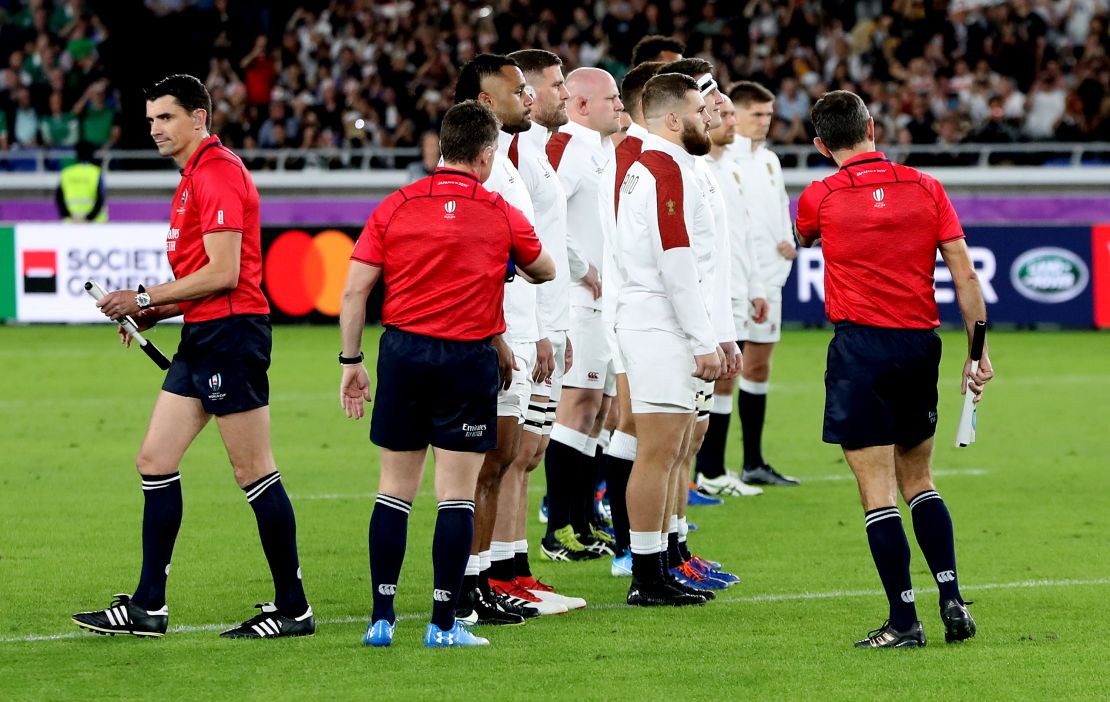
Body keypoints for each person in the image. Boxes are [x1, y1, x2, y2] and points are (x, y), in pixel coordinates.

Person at [73, 74, 314, 639]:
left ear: (198, 118)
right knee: (154, 460)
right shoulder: (191, 178)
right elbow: (202, 277)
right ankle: (148, 606)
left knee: (253, 470)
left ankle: (294, 608)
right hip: (203, 333)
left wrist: (144, 296)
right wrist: (154, 313)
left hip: (231, 335)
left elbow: (226, 273)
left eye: (166, 117)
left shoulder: (219, 174)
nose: (155, 128)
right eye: (152, 118)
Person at [338, 99, 555, 648]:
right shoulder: (498, 209)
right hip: (465, 359)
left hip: (404, 354)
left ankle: (381, 619)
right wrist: (501, 262)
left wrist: (351, 362)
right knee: (455, 495)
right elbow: (545, 269)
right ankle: (441, 623)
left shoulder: (396, 204)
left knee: (394, 491)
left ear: (441, 148)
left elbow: (355, 291)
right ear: (486, 156)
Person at [795, 90, 994, 648]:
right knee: (920, 481)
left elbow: (802, 237)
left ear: (819, 144)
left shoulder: (820, 194)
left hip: (860, 348)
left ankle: (905, 621)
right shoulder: (928, 187)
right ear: (873, 127)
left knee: (877, 491)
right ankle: (952, 597)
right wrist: (978, 353)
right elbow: (965, 277)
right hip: (918, 346)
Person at [614, 72, 723, 606]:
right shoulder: (663, 168)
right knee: (658, 450)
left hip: (661, 319)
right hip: (658, 322)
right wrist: (705, 339)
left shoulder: (661, 164)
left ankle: (657, 564)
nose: (709, 117)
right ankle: (646, 574)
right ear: (674, 119)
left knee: (672, 446)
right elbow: (676, 261)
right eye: (701, 111)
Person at [451, 53, 550, 626]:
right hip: (487, 333)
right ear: (486, 102)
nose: (528, 98)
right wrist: (499, 337)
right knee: (484, 463)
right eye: (518, 91)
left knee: (502, 457)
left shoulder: (508, 161)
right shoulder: (472, 171)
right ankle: (467, 585)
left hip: (512, 327)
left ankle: (481, 579)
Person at [542, 66, 623, 562]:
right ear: (580, 105)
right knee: (578, 408)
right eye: (611, 98)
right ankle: (559, 528)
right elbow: (542, 213)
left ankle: (586, 519)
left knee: (599, 413)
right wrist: (579, 266)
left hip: (604, 302)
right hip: (578, 300)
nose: (620, 105)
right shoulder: (568, 146)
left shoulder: (602, 151)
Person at [694, 92, 769, 496]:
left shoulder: (733, 170)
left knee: (723, 382)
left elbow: (744, 236)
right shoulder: (697, 168)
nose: (730, 122)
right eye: (721, 115)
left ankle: (711, 470)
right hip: (711, 294)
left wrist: (755, 286)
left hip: (737, 288)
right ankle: (707, 472)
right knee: (709, 383)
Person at [726, 81, 801, 487]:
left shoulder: (769, 160)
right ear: (733, 115)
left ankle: (753, 460)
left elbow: (776, 210)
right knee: (725, 370)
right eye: (756, 114)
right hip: (739, 281)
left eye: (769, 114)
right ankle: (711, 468)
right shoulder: (723, 161)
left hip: (771, 278)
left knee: (758, 365)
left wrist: (787, 240)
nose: (765, 122)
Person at [56, 141, 107, 223]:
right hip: (94, 223)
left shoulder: (67, 172)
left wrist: (69, 215)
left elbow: (59, 198)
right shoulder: (96, 172)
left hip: (71, 222)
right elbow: (100, 198)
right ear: (92, 154)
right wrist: (88, 218)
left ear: (77, 155)